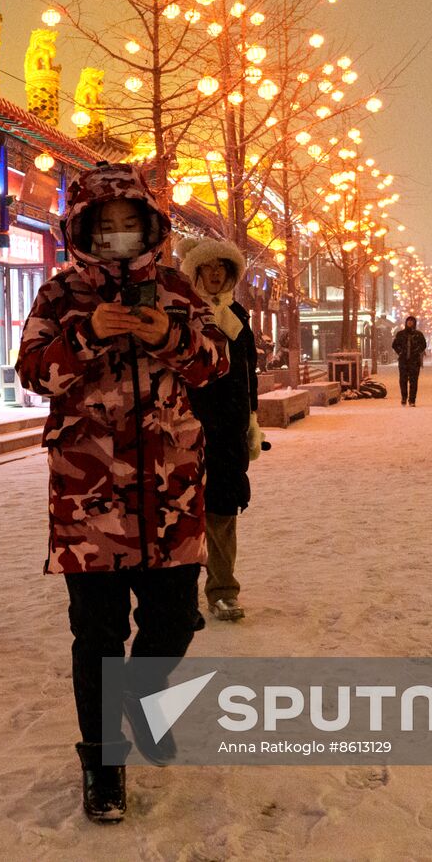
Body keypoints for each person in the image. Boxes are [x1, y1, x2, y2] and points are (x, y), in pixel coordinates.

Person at [15, 163, 228, 825]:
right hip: (89, 501)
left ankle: (140, 697)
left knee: (172, 622)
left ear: (147, 225)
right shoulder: (58, 294)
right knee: (98, 637)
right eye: (101, 226)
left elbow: (215, 363)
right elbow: (31, 373)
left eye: (126, 223)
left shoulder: (176, 288)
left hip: (170, 497)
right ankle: (103, 763)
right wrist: (88, 334)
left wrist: (168, 335)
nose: (115, 235)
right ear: (81, 229)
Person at [178, 235, 263, 624]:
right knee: (182, 513)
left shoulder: (239, 317)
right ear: (195, 272)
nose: (214, 276)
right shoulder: (181, 314)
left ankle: (223, 590)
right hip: (185, 425)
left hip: (228, 428)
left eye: (221, 270)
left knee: (223, 510)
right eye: (207, 269)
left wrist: (251, 419)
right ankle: (179, 598)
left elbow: (249, 374)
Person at [392, 316, 427, 406]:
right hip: (403, 361)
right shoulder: (400, 334)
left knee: (414, 381)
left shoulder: (418, 335)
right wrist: (400, 352)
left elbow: (423, 345)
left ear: (414, 323)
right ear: (406, 322)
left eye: (412, 321)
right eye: (408, 321)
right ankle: (404, 397)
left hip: (414, 361)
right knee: (403, 380)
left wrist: (417, 352)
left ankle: (412, 400)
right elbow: (394, 345)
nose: (410, 323)